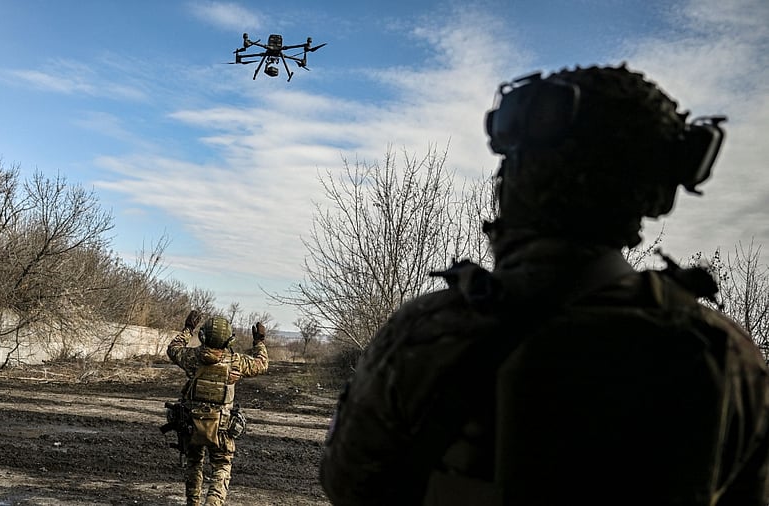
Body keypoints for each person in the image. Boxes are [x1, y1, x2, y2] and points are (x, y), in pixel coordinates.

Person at [319, 64, 769, 505]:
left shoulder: (431, 331)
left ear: (518, 179)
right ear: (654, 194)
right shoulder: (723, 355)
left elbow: (349, 484)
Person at [167, 310, 269, 506]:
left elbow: (173, 348)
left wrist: (188, 329)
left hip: (192, 423)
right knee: (221, 467)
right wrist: (259, 342)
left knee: (194, 464)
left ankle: (193, 503)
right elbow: (262, 364)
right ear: (228, 341)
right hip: (222, 426)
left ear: (203, 336)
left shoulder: (192, 357)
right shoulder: (236, 362)